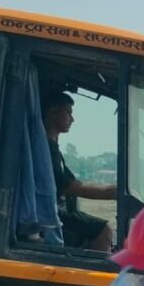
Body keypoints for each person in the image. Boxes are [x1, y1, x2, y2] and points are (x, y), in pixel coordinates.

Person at [43, 91, 115, 251]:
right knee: (104, 231)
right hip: (50, 212)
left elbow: (73, 182)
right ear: (53, 111)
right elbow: (69, 187)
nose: (72, 119)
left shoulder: (53, 149)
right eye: (68, 112)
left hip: (56, 210)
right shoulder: (44, 148)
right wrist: (112, 192)